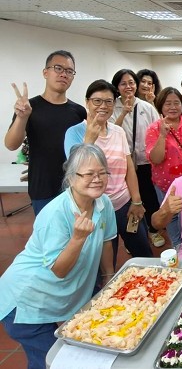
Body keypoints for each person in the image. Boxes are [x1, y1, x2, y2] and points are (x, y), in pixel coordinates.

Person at [0, 144, 116, 369]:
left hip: (56, 295)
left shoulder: (104, 203)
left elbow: (106, 241)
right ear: (71, 177)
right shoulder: (55, 213)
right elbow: (59, 270)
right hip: (25, 301)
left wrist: (109, 278)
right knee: (53, 362)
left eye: (102, 173)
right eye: (89, 174)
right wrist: (77, 238)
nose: (97, 179)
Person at [64, 80, 153, 263]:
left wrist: (136, 200)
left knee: (144, 254)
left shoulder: (118, 131)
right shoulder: (74, 132)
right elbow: (76, 170)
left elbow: (128, 167)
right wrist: (89, 139)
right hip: (94, 209)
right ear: (87, 102)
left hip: (124, 204)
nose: (103, 106)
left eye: (108, 101)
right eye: (97, 101)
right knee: (104, 261)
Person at [5, 50, 86, 215]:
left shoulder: (78, 112)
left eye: (69, 71)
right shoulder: (29, 107)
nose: (64, 74)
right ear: (45, 72)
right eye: (58, 68)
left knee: (78, 229)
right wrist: (22, 117)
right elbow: (11, 144)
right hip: (42, 188)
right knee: (48, 231)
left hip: (74, 187)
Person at [111, 69, 164, 248]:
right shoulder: (113, 106)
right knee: (129, 201)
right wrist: (123, 113)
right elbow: (110, 132)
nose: (128, 86)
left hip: (145, 162)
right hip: (122, 163)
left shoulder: (146, 107)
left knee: (149, 197)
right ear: (117, 87)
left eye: (131, 83)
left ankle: (153, 231)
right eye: (123, 83)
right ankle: (133, 235)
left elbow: (158, 130)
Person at [146, 87, 182, 247]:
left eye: (176, 103)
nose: (172, 107)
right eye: (167, 103)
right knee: (171, 215)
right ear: (161, 106)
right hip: (166, 184)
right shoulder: (154, 128)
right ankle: (178, 246)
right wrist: (162, 135)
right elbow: (156, 159)